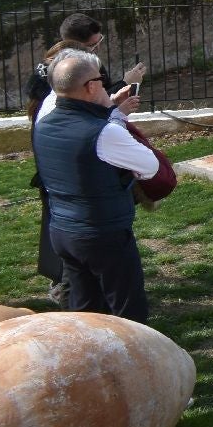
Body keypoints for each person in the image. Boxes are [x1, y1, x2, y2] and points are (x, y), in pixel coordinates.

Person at [32, 49, 156, 324]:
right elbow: (150, 166)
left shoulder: (44, 122)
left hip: (63, 232)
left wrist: (110, 109)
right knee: (128, 310)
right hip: (103, 233)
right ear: (90, 86)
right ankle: (131, 361)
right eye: (101, 79)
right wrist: (115, 118)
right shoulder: (104, 131)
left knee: (84, 307)